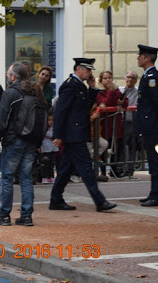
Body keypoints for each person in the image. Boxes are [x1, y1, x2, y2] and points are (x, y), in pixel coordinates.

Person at [49, 57, 117, 213]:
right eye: (87, 70)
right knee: (86, 169)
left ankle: (56, 199)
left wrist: (92, 88)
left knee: (66, 169)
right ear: (79, 69)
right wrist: (57, 135)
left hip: (77, 133)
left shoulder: (79, 85)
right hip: (73, 134)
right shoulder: (69, 86)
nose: (89, 73)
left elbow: (85, 105)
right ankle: (100, 201)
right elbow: (61, 111)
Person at [0, 62, 46, 226]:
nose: (7, 75)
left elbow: (2, 120)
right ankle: (26, 216)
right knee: (26, 178)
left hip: (13, 140)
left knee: (7, 177)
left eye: (8, 73)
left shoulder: (10, 93)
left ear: (13, 76)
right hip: (31, 139)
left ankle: (4, 215)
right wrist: (38, 141)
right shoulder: (35, 91)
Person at [134, 45, 158, 207]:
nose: (138, 58)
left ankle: (157, 195)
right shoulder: (147, 76)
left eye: (140, 55)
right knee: (154, 161)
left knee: (156, 162)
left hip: (154, 127)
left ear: (147, 58)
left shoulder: (152, 78)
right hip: (151, 126)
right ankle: (155, 192)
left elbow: (157, 103)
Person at [94, 70, 127, 180]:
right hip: (104, 124)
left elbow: (125, 101)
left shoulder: (116, 89)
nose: (108, 80)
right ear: (101, 80)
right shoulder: (99, 91)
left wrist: (122, 102)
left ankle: (115, 170)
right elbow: (106, 102)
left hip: (115, 124)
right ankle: (103, 171)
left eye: (109, 78)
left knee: (116, 147)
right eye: (105, 78)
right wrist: (110, 91)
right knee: (103, 149)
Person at [121, 71, 139, 178]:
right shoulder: (119, 90)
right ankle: (119, 168)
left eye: (132, 78)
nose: (130, 79)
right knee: (121, 146)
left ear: (136, 81)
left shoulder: (137, 92)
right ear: (125, 78)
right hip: (119, 121)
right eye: (128, 77)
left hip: (132, 122)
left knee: (131, 146)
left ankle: (129, 169)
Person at [40, 113, 58, 184]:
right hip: (45, 149)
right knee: (45, 163)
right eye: (49, 120)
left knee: (52, 164)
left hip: (53, 148)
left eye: (52, 120)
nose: (51, 122)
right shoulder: (43, 128)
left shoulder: (54, 127)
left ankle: (51, 177)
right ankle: (44, 177)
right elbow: (47, 134)